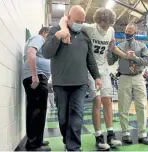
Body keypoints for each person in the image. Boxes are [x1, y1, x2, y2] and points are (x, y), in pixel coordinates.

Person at [58, 8, 133, 150]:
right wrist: (63, 29)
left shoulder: (111, 31)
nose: (105, 27)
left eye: (108, 25)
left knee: (107, 100)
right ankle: (99, 137)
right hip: (89, 69)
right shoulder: (89, 28)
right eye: (103, 25)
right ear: (97, 21)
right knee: (97, 100)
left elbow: (112, 48)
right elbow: (64, 19)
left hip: (104, 69)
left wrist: (125, 55)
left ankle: (111, 135)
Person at [42, 5, 102, 151]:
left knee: (77, 115)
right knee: (63, 118)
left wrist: (97, 77)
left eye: (82, 21)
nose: (79, 24)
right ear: (68, 18)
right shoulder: (55, 31)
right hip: (60, 83)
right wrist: (57, 37)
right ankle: (67, 140)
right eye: (77, 21)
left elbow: (91, 60)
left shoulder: (85, 37)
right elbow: (46, 53)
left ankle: (73, 147)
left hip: (80, 84)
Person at [108, 23, 148, 145]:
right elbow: (111, 62)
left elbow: (147, 61)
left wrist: (135, 58)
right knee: (123, 107)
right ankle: (125, 133)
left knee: (141, 106)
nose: (127, 34)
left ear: (135, 33)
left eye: (130, 32)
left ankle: (142, 134)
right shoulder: (120, 46)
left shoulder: (142, 46)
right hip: (124, 77)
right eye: (126, 31)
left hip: (138, 77)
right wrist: (111, 50)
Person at [22, 27, 51, 151]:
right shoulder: (39, 38)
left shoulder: (40, 40)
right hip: (36, 77)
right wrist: (34, 75)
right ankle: (33, 145)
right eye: (49, 36)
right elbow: (30, 52)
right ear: (44, 33)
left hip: (37, 76)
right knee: (36, 111)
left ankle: (36, 140)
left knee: (38, 111)